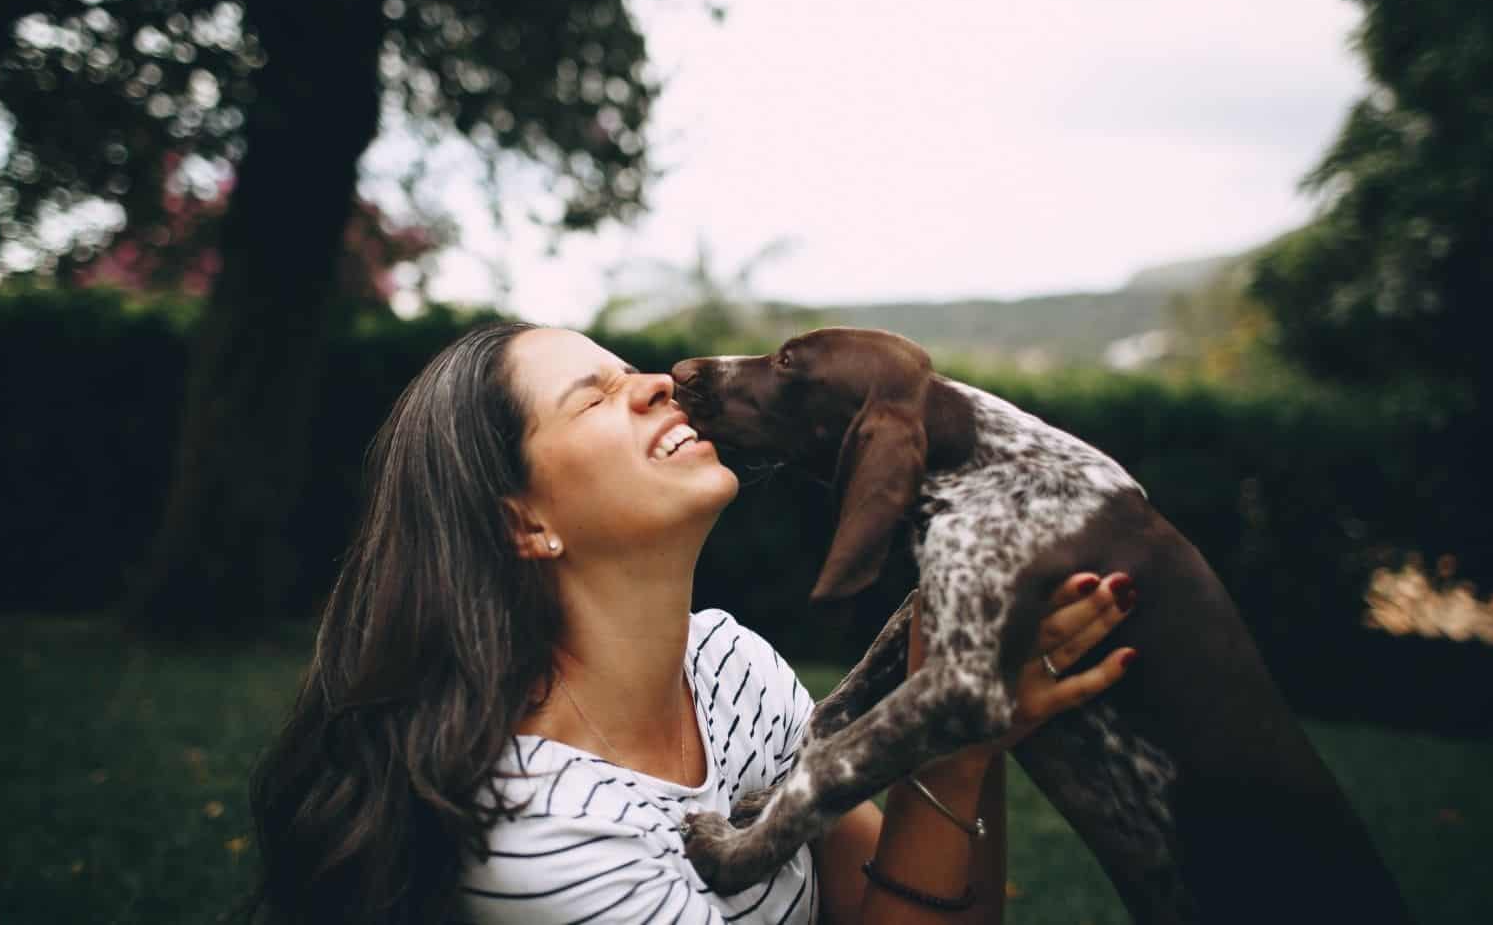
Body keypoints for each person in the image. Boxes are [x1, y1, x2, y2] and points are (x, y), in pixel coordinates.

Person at [249, 322, 1137, 924]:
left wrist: (961, 709)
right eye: (592, 398)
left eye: (630, 370)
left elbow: (901, 901)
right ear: (523, 523)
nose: (660, 384)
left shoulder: (728, 667)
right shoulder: (542, 834)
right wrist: (957, 740)